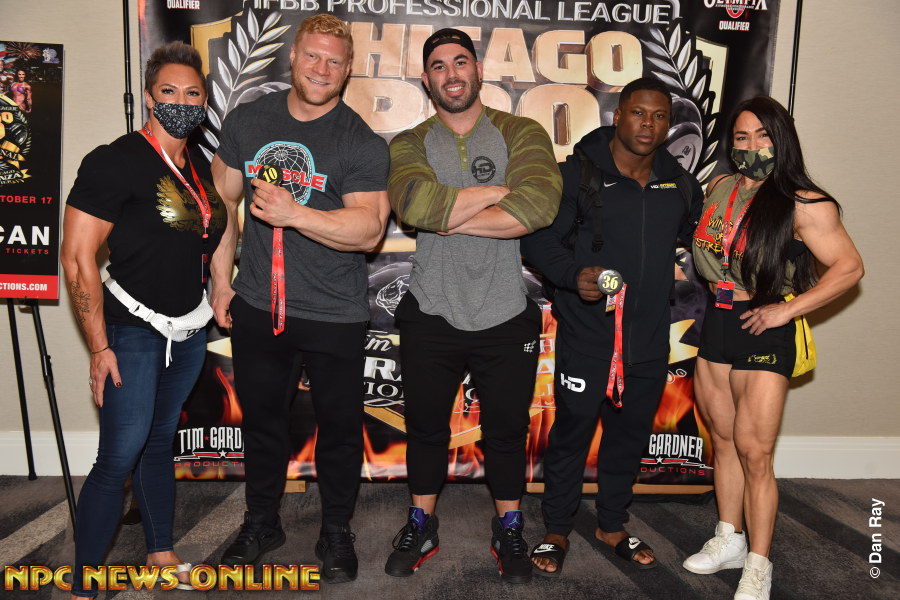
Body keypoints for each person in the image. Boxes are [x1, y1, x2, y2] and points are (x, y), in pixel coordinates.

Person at [210, 14, 390, 583]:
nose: (321, 68)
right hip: (259, 305)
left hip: (334, 311)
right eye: (312, 55)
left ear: (348, 68)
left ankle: (336, 529)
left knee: (339, 430)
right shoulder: (249, 120)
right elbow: (221, 203)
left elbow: (369, 231)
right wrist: (221, 280)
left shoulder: (358, 140)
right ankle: (262, 521)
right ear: (293, 55)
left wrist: (296, 214)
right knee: (263, 424)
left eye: (334, 61)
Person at [383, 28, 561, 584]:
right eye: (439, 66)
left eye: (460, 62)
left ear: (478, 70)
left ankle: (509, 526)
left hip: (505, 310)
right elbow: (413, 206)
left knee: (506, 431)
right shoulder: (409, 143)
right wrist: (496, 191)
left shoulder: (521, 132)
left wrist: (448, 212)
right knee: (426, 429)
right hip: (430, 307)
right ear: (426, 79)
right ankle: (421, 523)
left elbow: (539, 205)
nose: (451, 74)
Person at [60, 41, 228, 598]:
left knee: (159, 442)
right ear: (150, 98)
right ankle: (83, 584)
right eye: (169, 92)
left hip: (188, 330)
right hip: (131, 330)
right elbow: (77, 257)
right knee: (119, 455)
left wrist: (222, 285)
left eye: (193, 94)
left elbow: (219, 226)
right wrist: (98, 347)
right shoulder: (114, 160)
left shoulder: (198, 165)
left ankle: (161, 553)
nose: (182, 102)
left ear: (204, 102)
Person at [522, 77, 704, 576]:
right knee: (573, 434)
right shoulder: (577, 175)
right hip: (588, 335)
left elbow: (698, 243)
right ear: (618, 115)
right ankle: (557, 528)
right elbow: (537, 240)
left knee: (629, 436)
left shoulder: (680, 184)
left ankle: (612, 525)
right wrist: (572, 275)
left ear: (669, 124)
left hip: (649, 337)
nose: (649, 124)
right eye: (639, 113)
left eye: (660, 116)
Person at [683, 96, 863, 600]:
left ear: (781, 139)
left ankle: (758, 564)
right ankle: (729, 538)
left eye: (763, 135)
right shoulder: (719, 187)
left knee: (754, 451)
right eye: (742, 137)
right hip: (718, 322)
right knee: (723, 440)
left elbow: (850, 267)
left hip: (764, 325)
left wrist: (787, 310)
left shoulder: (805, 202)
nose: (752, 145)